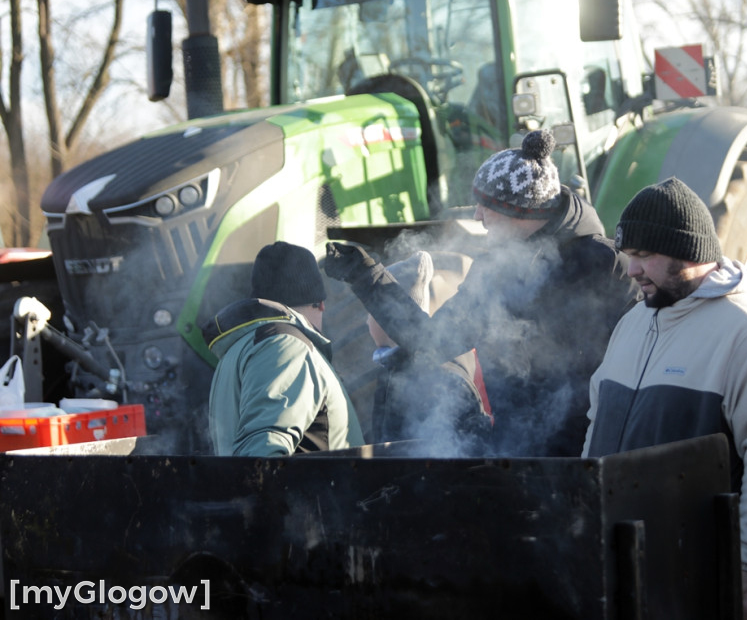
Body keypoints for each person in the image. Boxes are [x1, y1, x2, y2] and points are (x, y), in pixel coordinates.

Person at [325, 129, 635, 457]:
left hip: (589, 454)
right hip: (514, 452)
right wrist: (366, 276)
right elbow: (430, 341)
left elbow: (637, 365)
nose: (476, 216)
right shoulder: (492, 271)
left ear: (520, 211)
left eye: (485, 205)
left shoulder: (606, 265)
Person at [581, 177, 747, 620]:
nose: (632, 270)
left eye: (645, 256)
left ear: (689, 253)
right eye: (630, 256)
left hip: (710, 570)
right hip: (627, 561)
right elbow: (596, 424)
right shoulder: (634, 323)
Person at [203, 241, 364, 456]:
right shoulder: (287, 346)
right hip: (315, 490)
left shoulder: (237, 350)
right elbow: (261, 456)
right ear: (320, 303)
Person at [367, 250, 492, 454]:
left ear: (389, 318)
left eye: (371, 313)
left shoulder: (442, 378)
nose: (366, 321)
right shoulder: (393, 369)